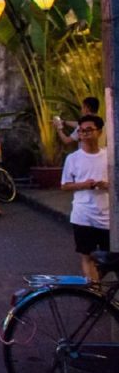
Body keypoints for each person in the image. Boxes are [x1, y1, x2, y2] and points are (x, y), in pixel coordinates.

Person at [60, 115, 110, 283]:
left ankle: (100, 292)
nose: (84, 134)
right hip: (83, 215)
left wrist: (106, 185)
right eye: (81, 131)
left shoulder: (109, 156)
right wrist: (83, 185)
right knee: (86, 256)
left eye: (89, 130)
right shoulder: (73, 158)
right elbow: (65, 185)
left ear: (99, 131)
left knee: (112, 258)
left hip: (107, 215)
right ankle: (96, 295)